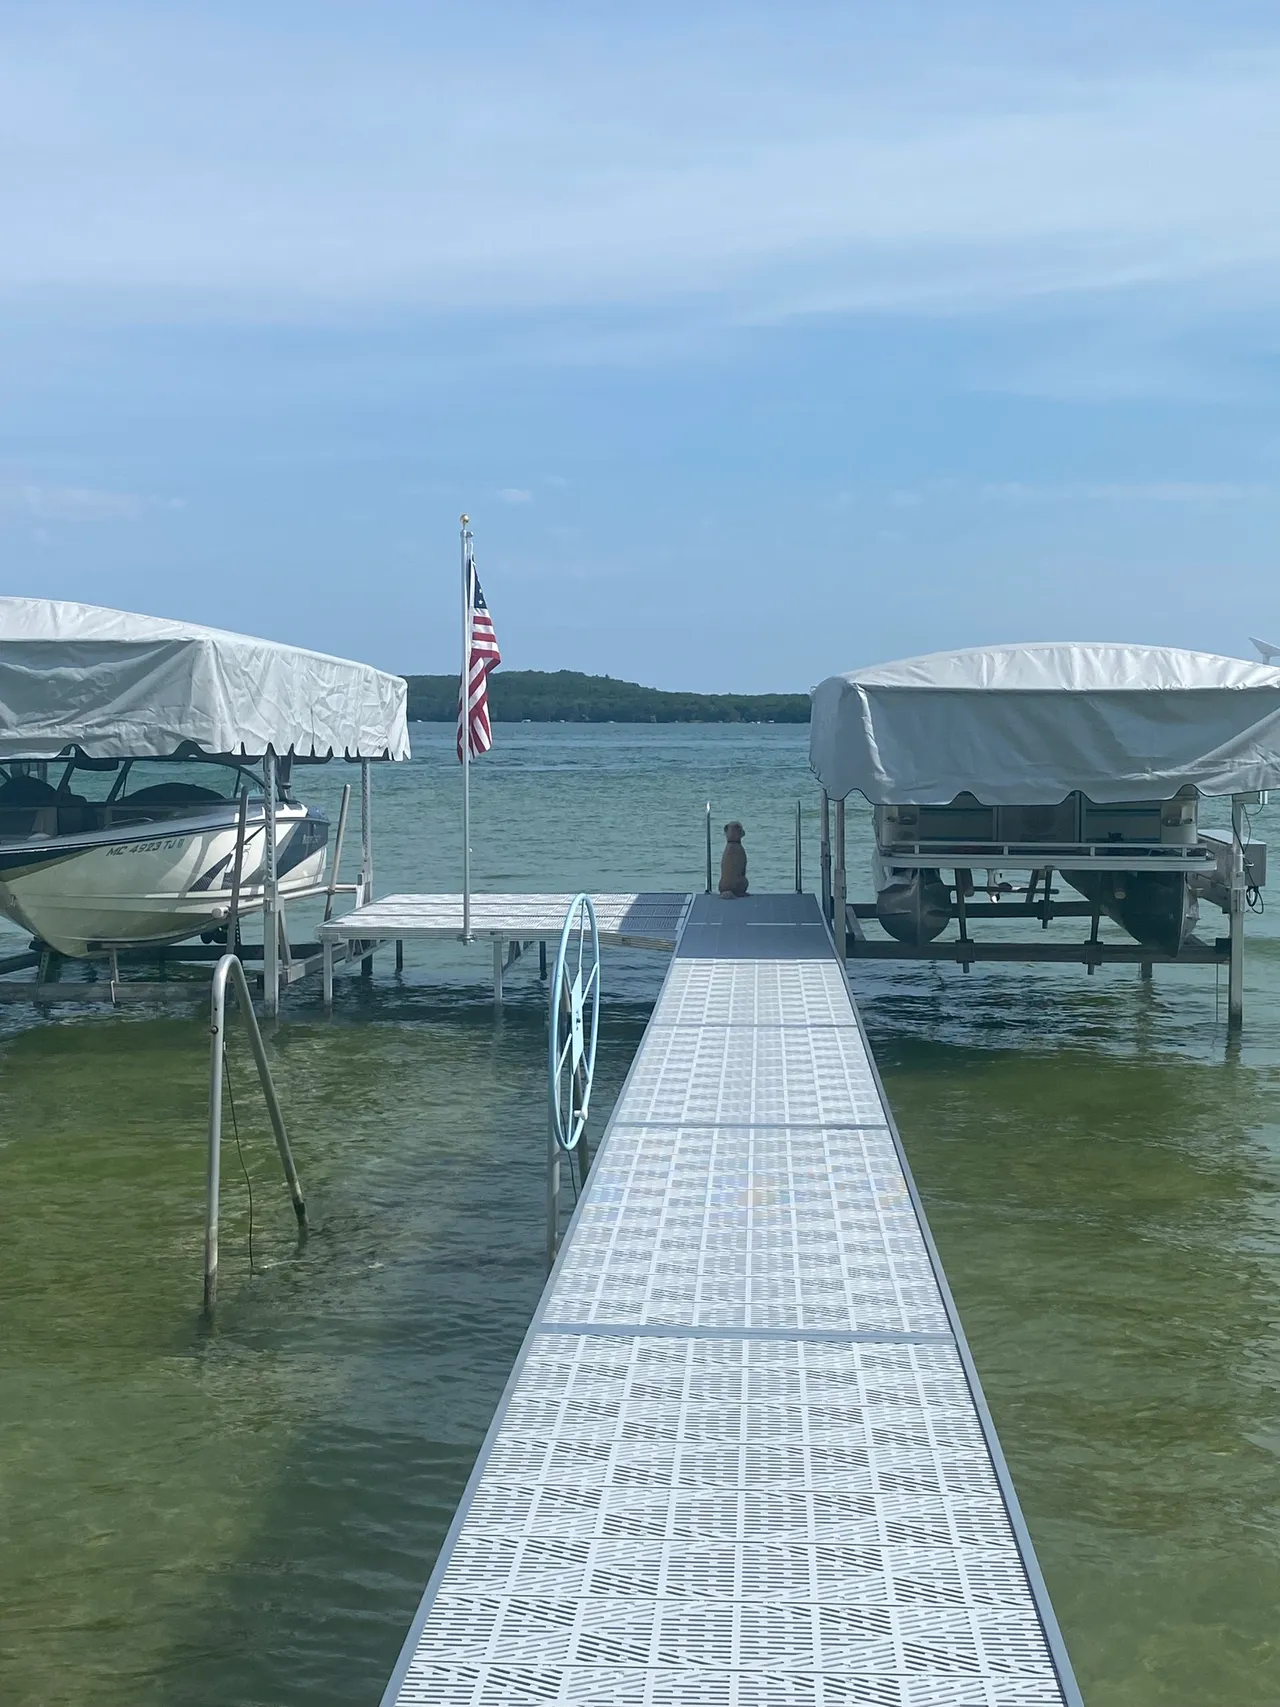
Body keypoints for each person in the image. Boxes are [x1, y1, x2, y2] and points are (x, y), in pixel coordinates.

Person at [718, 821, 748, 897]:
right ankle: (739, 891)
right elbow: (742, 870)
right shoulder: (739, 849)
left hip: (722, 887)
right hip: (737, 886)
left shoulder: (727, 848)